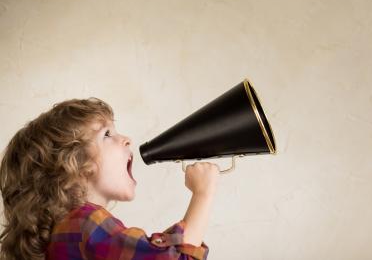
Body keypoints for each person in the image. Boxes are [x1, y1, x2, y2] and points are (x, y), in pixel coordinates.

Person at [0, 97, 218, 260]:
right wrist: (203, 193)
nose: (126, 139)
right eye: (107, 134)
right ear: (72, 164)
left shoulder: (68, 230)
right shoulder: (85, 223)